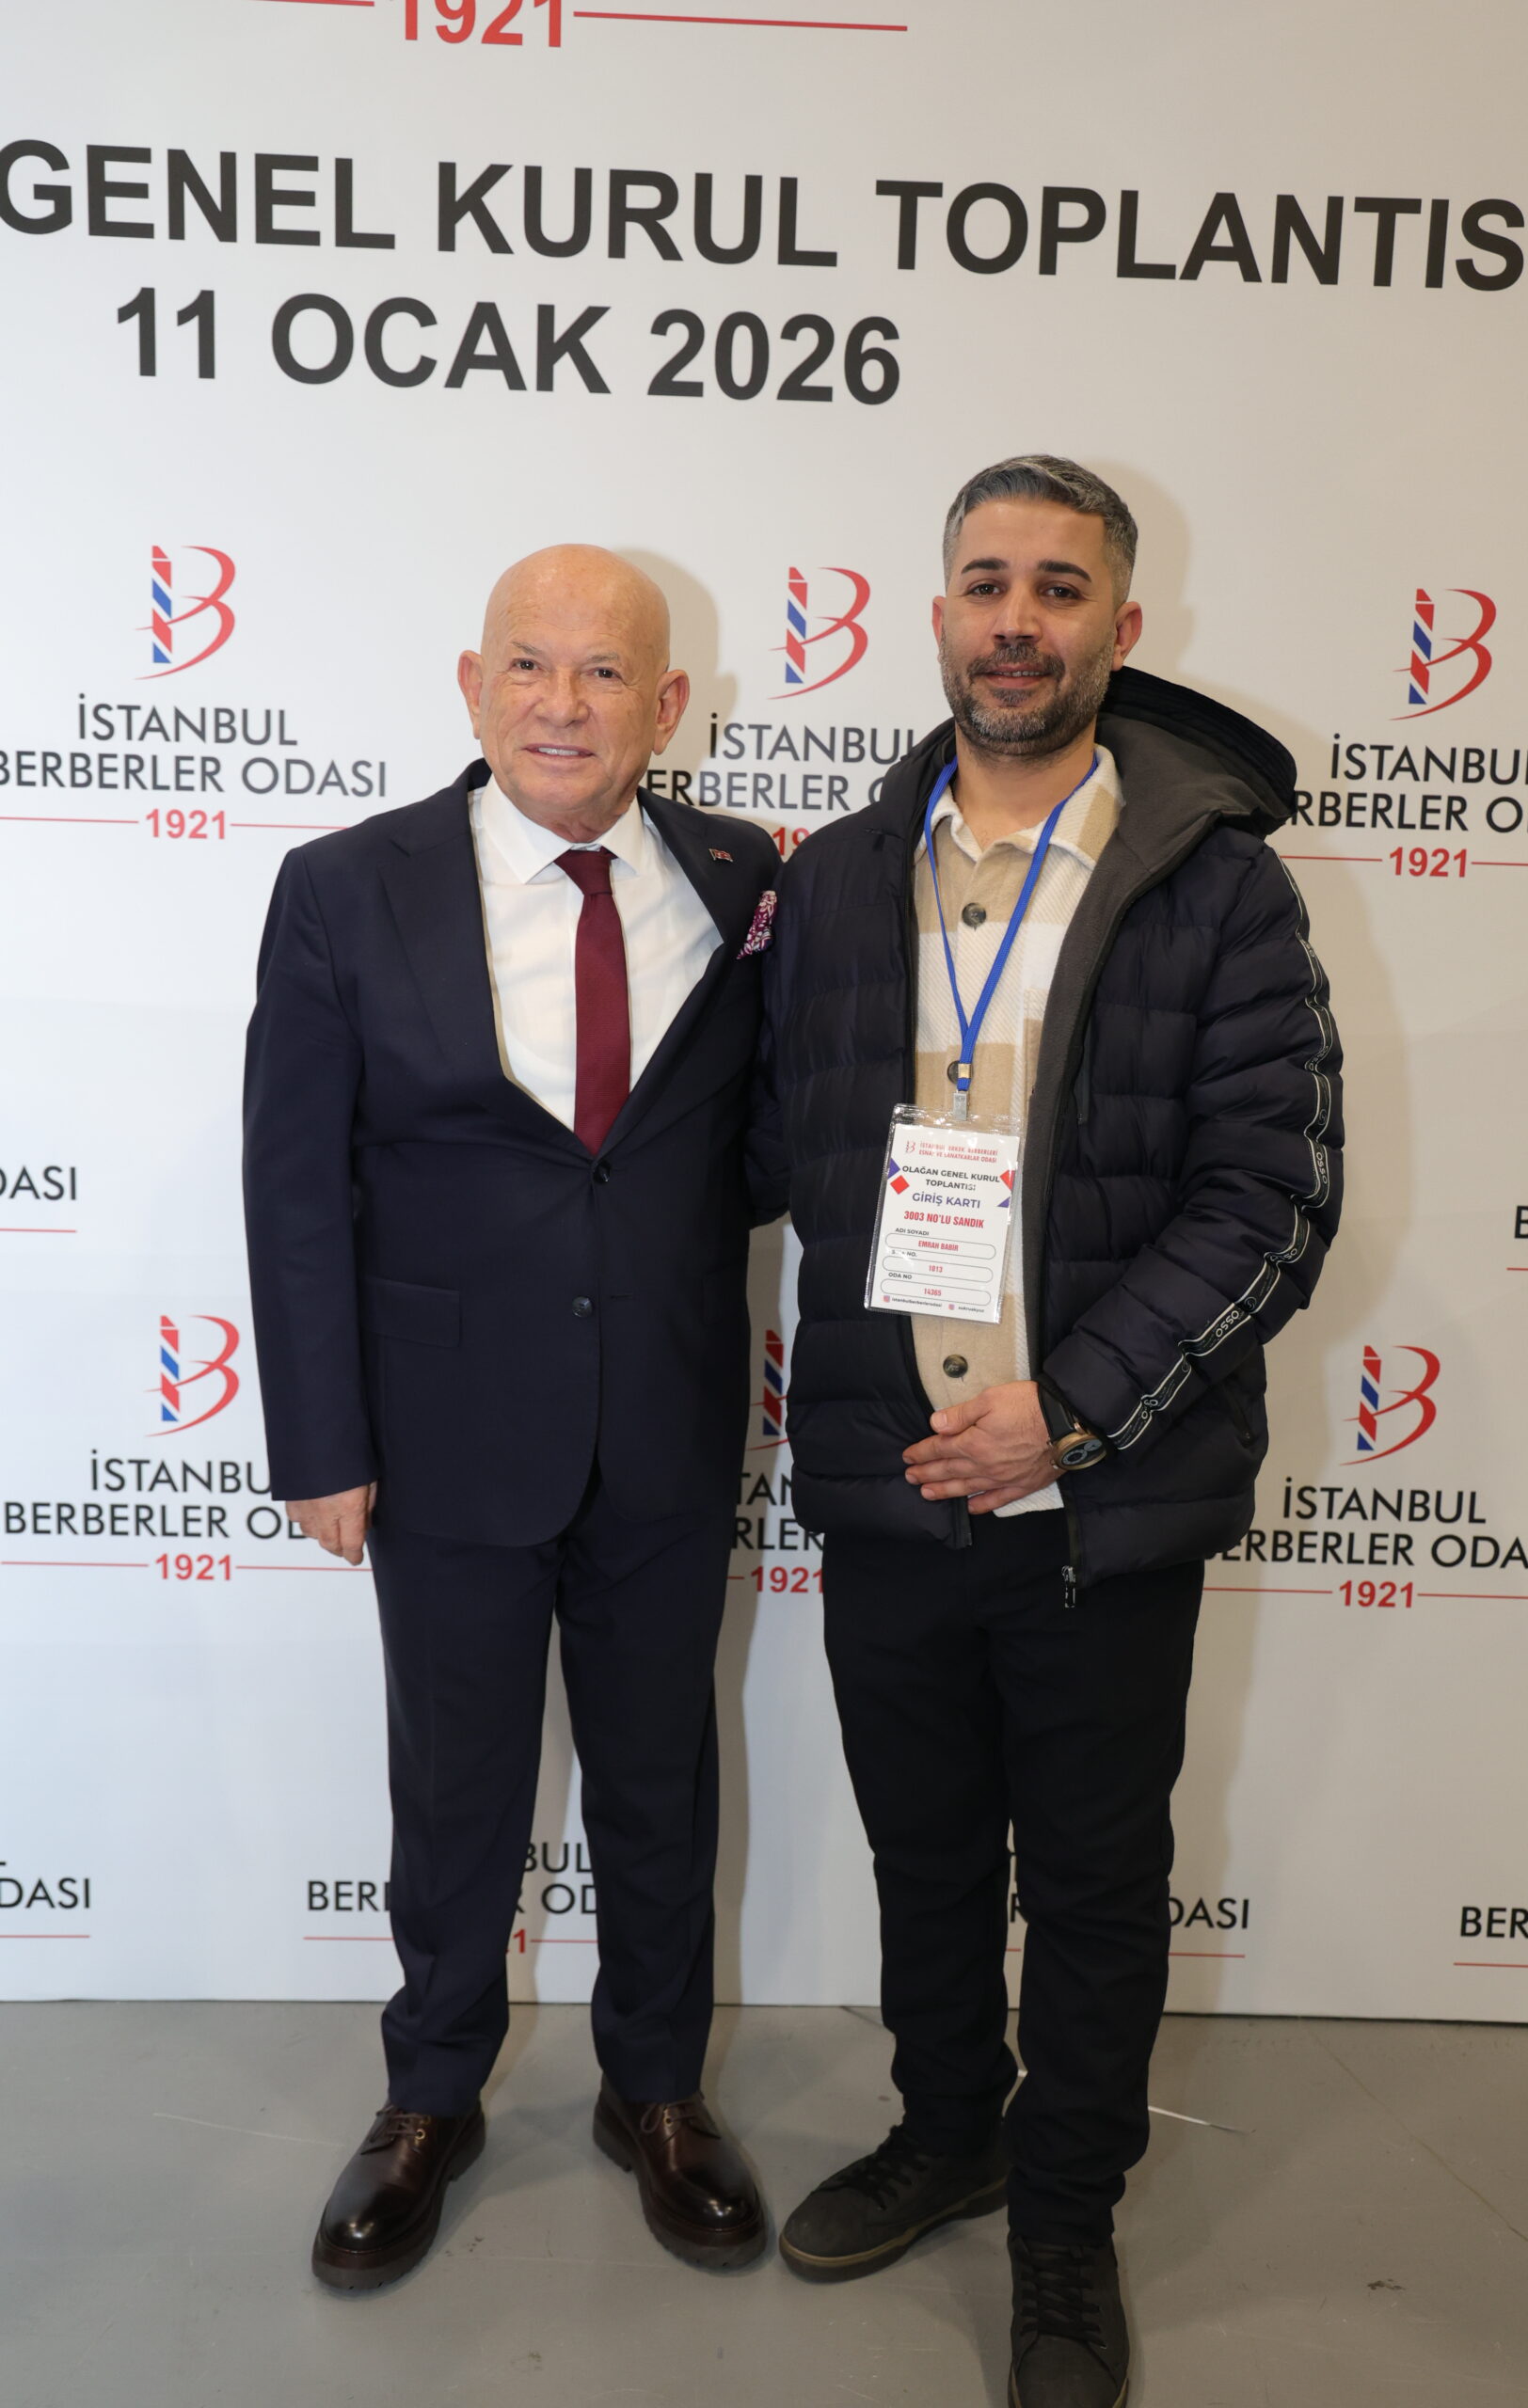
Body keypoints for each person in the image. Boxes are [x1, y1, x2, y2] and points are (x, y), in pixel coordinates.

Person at [752, 457, 1342, 2406]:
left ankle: (1065, 2220)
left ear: (1120, 627)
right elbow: (763, 1151)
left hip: (1099, 1497)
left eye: (1059, 588)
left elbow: (1269, 1196)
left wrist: (1068, 1413)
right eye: (987, 582)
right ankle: (949, 2128)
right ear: (936, 615)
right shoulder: (840, 879)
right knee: (925, 1857)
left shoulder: (1215, 883)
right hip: (888, 1480)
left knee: (1089, 1883)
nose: (1018, 620)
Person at [243, 547, 776, 2289]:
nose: (564, 703)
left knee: (661, 1777)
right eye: (529, 666)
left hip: (668, 1422)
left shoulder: (744, 880)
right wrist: (320, 1440)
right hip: (444, 1428)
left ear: (667, 706)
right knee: (457, 1783)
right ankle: (428, 2099)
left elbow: (776, 1134)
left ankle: (657, 2091)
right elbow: (294, 1184)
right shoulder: (345, 886)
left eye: (605, 672)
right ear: (472, 687)